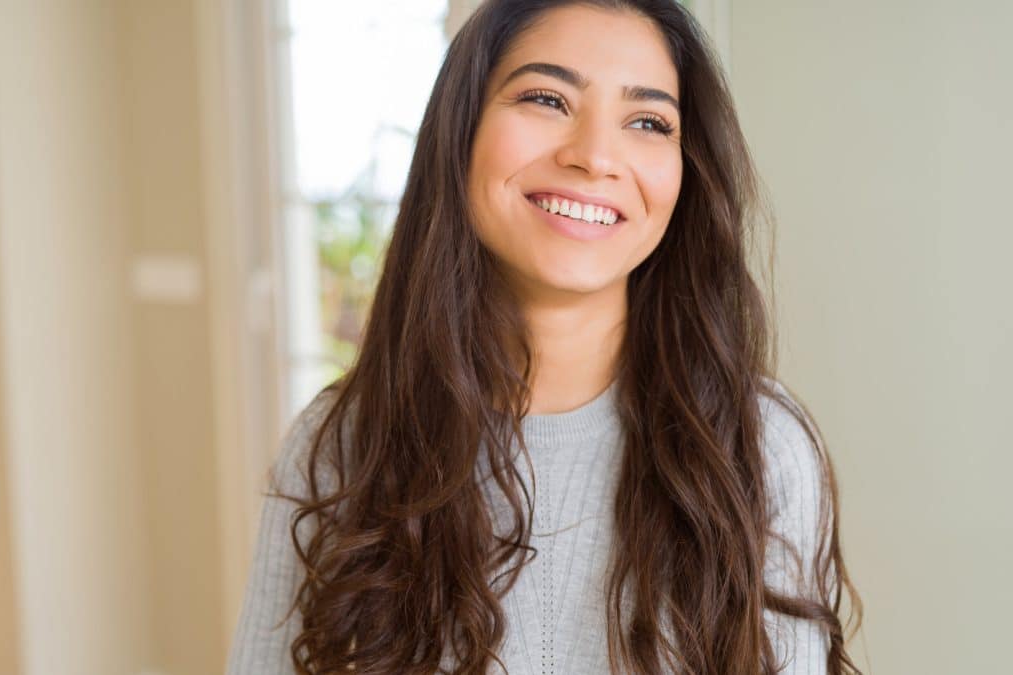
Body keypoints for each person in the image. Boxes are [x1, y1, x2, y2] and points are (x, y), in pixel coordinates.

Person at [226, 1, 864, 673]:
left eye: (648, 122)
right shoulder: (344, 442)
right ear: (462, 130)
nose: (594, 156)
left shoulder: (762, 448)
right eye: (546, 99)